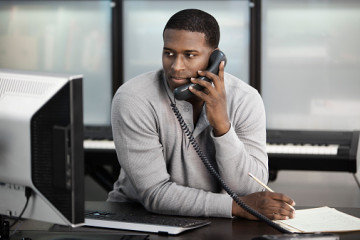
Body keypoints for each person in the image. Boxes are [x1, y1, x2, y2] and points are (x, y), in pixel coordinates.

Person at [108, 8, 295, 220]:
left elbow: (249, 188)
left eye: (189, 55)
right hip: (137, 218)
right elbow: (155, 193)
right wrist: (236, 207)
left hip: (220, 221)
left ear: (215, 57)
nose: (176, 67)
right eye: (169, 53)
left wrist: (222, 126)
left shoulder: (246, 99)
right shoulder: (134, 98)